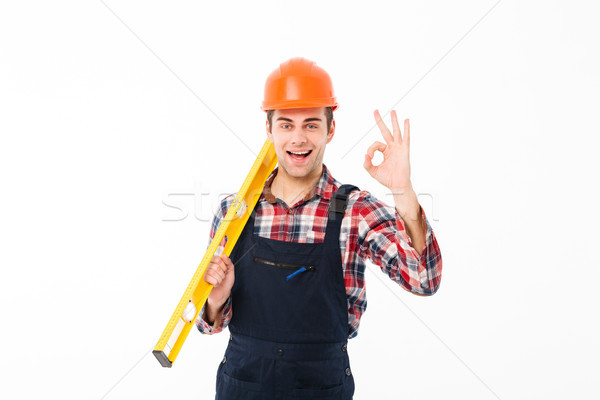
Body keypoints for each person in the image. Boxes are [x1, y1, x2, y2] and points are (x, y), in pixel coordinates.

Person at [196, 57, 443, 399]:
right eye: (286, 125)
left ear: (330, 129)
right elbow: (208, 324)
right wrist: (215, 300)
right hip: (243, 383)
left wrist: (402, 189)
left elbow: (424, 280)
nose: (298, 138)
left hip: (321, 387)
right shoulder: (234, 211)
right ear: (269, 130)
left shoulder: (356, 210)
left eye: (311, 125)